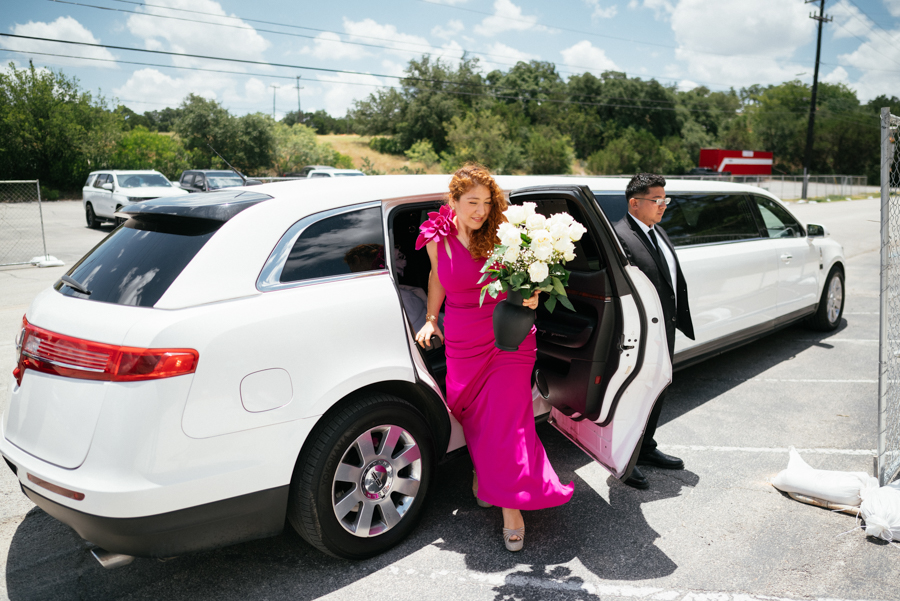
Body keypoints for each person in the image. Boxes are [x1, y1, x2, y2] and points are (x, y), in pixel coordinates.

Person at [414, 163, 573, 552]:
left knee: (508, 422)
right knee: (474, 417)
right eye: (471, 202)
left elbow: (523, 283)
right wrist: (431, 318)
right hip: (463, 339)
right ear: (452, 201)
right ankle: (484, 475)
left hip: (508, 337)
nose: (481, 211)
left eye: (486, 202)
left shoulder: (505, 234)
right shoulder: (436, 237)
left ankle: (511, 510)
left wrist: (532, 295)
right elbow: (437, 277)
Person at [613, 173, 695, 490]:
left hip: (664, 328)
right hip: (640, 334)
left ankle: (646, 448)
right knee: (635, 395)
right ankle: (626, 459)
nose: (662, 206)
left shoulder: (655, 231)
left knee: (658, 391)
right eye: (656, 200)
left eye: (665, 200)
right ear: (635, 203)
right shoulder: (620, 236)